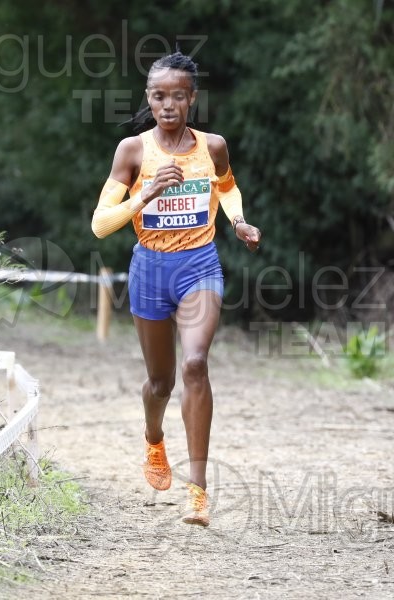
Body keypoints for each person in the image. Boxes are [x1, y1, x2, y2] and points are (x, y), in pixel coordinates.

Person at [91, 52, 261, 527]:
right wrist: (145, 194)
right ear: (149, 99)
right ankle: (153, 438)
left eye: (178, 96)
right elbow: (100, 225)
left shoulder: (213, 146)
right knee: (160, 382)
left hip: (198, 265)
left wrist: (239, 221)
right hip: (149, 269)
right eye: (159, 96)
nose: (168, 104)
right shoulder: (133, 151)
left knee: (195, 363)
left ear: (192, 98)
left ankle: (198, 493)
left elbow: (226, 187)